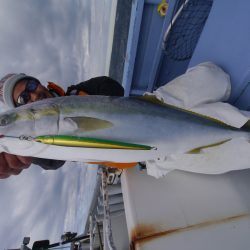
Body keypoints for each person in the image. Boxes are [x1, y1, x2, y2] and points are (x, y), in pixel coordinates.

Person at [0, 73, 124, 179]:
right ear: (23, 110)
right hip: (125, 160)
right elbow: (53, 163)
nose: (34, 95)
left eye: (31, 85)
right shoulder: (43, 139)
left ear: (39, 83)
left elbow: (112, 86)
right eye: (24, 98)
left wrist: (84, 107)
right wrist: (29, 149)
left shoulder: (76, 93)